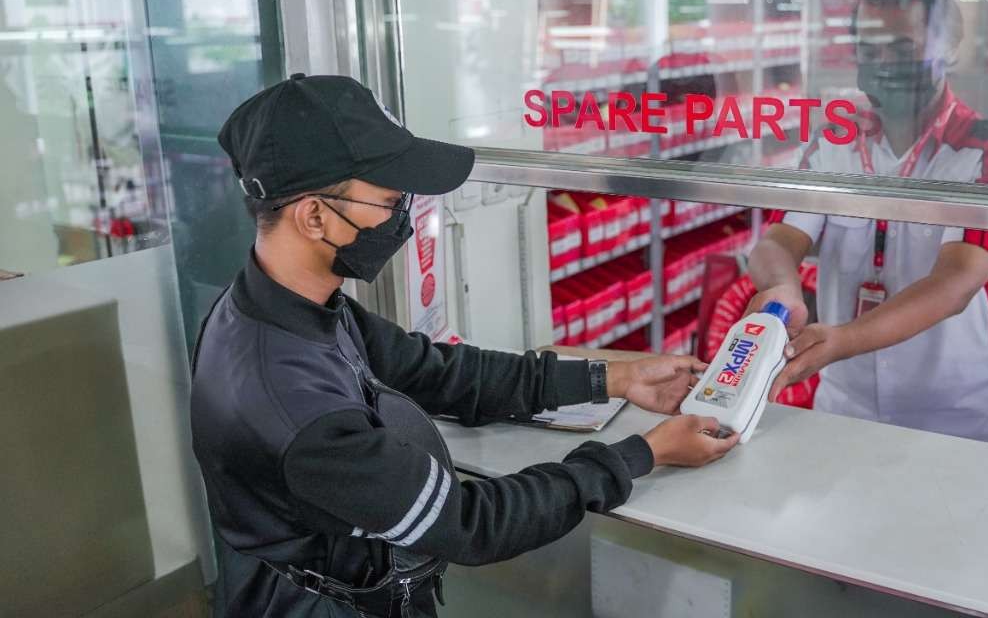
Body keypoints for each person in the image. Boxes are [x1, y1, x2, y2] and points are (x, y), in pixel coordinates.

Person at [190, 73, 739, 617]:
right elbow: (469, 524)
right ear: (314, 216)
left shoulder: (294, 304)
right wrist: (644, 453)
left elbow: (437, 372)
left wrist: (611, 379)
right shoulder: (290, 400)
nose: (403, 213)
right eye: (387, 199)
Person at [747, 0, 988, 446]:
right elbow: (779, 239)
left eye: (903, 49)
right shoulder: (833, 143)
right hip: (841, 405)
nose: (883, 64)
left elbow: (955, 283)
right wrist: (783, 289)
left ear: (950, 46)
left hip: (954, 421)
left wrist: (843, 340)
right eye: (869, 49)